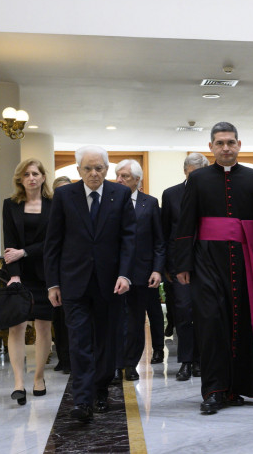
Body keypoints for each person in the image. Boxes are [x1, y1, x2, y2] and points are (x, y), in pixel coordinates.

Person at [174, 122, 253, 415]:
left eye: (231, 142)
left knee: (242, 323)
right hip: (206, 260)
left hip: (246, 258)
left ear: (239, 145)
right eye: (220, 143)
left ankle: (239, 387)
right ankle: (213, 390)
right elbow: (186, 223)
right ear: (211, 147)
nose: (226, 148)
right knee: (211, 324)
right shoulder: (197, 179)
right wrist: (182, 264)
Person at [44, 145, 136, 423]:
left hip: (111, 283)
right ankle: (82, 400)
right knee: (79, 342)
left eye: (99, 168)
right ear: (78, 170)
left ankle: (100, 391)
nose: (94, 173)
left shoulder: (120, 194)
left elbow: (129, 238)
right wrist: (53, 283)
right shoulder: (63, 196)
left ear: (107, 169)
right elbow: (53, 243)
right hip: (74, 282)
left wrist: (125, 274)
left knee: (107, 342)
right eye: (88, 168)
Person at [2, 158, 54, 406]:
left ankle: (39, 378)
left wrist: (25, 252)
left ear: (43, 177)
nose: (31, 178)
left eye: (35, 173)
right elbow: (10, 243)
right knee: (17, 328)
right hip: (18, 275)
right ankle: (18, 383)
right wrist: (14, 275)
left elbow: (54, 243)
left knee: (44, 328)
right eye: (26, 174)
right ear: (20, 180)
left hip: (46, 273)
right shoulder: (10, 205)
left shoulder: (54, 206)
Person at [115, 159, 165, 381]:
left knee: (136, 321)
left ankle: (130, 364)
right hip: (114, 272)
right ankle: (115, 364)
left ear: (137, 180)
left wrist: (157, 270)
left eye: (124, 176)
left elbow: (159, 241)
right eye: (118, 175)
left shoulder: (150, 203)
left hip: (142, 272)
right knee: (115, 320)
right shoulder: (109, 200)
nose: (119, 180)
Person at [161, 152, 208, 381]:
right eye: (193, 174)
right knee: (184, 312)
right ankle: (186, 362)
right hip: (180, 265)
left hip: (208, 264)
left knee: (204, 313)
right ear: (185, 171)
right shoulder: (171, 195)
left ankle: (201, 361)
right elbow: (165, 233)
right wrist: (166, 267)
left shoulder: (212, 193)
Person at [50, 175, 73, 375]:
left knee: (70, 318)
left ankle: (72, 358)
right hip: (53, 272)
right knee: (58, 318)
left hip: (71, 272)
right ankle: (63, 357)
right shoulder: (50, 210)